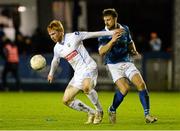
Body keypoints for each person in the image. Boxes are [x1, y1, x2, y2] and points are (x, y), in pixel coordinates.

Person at [47, 20, 121, 124]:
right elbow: (55, 60)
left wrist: (112, 32)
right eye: (50, 35)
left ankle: (99, 111)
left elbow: (93, 34)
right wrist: (51, 73)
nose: (52, 37)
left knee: (86, 88)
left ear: (60, 31)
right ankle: (91, 112)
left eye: (53, 33)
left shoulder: (74, 36)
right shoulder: (57, 48)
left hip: (89, 67)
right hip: (78, 73)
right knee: (66, 100)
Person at [97, 8, 157, 124]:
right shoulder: (103, 33)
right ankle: (112, 109)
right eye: (105, 20)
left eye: (108, 20)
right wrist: (112, 41)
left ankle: (147, 115)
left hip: (127, 61)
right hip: (113, 64)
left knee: (141, 84)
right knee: (125, 89)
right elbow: (101, 52)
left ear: (115, 19)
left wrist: (133, 50)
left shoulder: (125, 28)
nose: (106, 22)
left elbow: (130, 42)